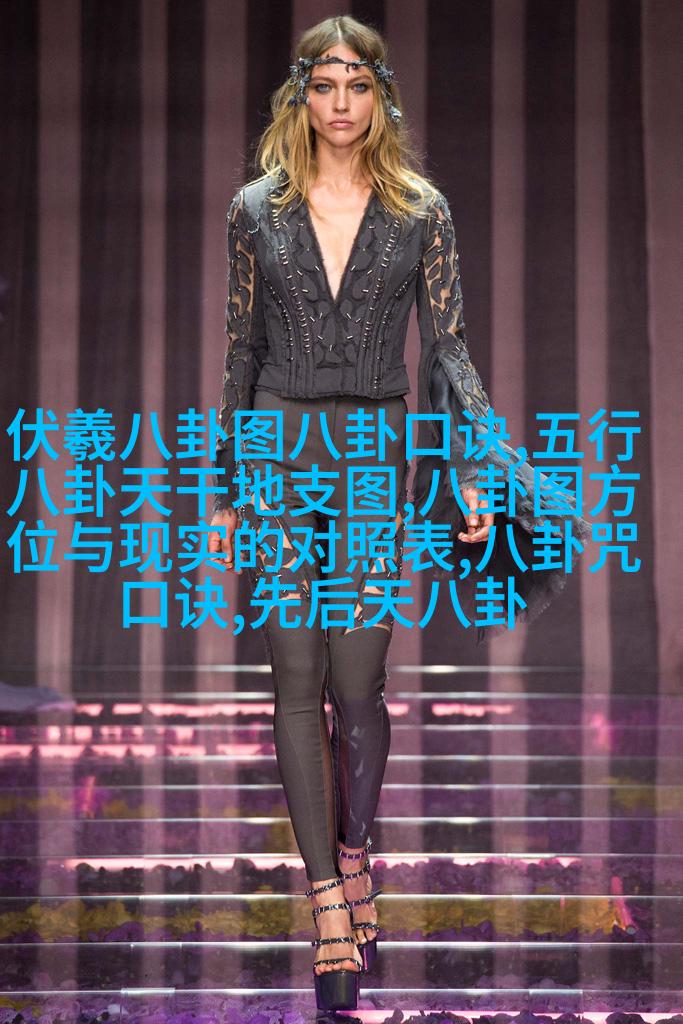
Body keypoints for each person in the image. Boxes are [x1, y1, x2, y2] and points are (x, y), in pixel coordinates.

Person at [207, 15, 590, 1012]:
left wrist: (475, 468)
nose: (340, 103)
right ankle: (327, 904)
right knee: (295, 678)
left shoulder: (420, 209)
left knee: (357, 682)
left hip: (377, 450)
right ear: (301, 95)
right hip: (278, 447)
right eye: (323, 85)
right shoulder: (255, 209)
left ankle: (354, 845)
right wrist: (226, 486)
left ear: (380, 97)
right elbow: (241, 349)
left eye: (357, 86)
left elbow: (449, 351)